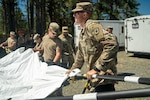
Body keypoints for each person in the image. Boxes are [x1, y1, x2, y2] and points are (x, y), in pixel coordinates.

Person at [67, 2, 119, 93]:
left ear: (85, 14)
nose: (73, 15)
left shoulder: (91, 25)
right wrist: (72, 70)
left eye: (76, 13)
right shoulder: (83, 32)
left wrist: (97, 69)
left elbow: (112, 42)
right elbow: (80, 55)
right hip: (95, 81)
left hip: (103, 80)